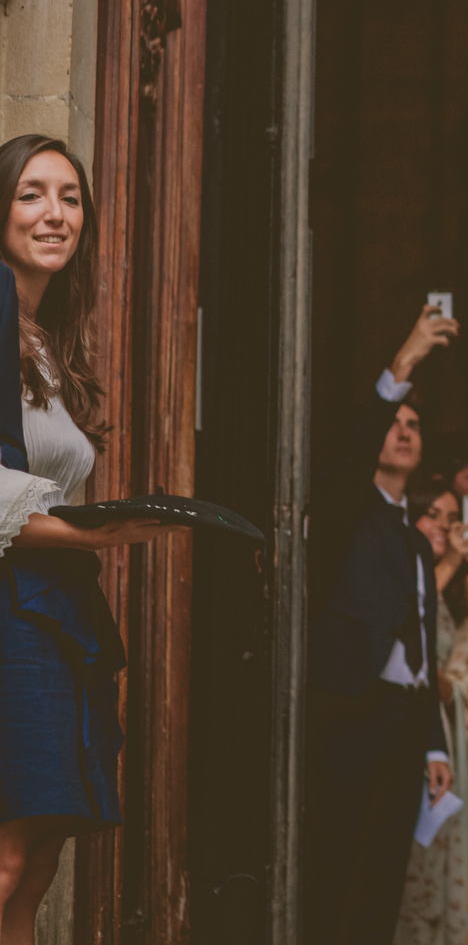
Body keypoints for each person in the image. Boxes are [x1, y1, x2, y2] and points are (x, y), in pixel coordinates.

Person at [0, 137, 181, 937]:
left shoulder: (43, 334)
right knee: (7, 854)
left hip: (52, 612)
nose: (55, 214)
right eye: (32, 194)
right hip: (13, 613)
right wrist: (95, 534)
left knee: (35, 864)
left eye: (70, 197)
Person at [305, 304, 460, 945]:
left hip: (405, 721)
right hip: (353, 712)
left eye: (414, 424)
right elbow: (355, 448)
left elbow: (422, 643)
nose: (403, 431)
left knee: (388, 869)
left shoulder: (420, 545)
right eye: (394, 423)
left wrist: (433, 744)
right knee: (337, 861)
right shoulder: (348, 511)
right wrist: (404, 363)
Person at [395, 532, 468, 945]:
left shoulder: (462, 619)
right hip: (416, 735)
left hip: (449, 745)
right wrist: (454, 683)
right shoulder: (423, 602)